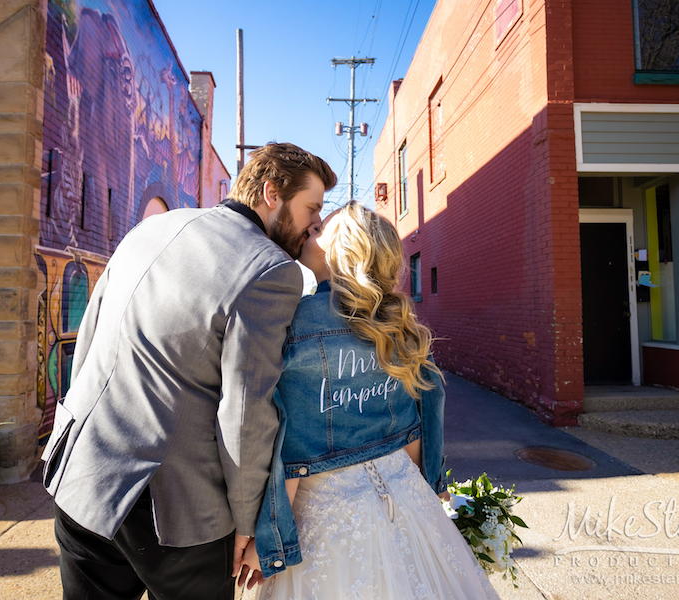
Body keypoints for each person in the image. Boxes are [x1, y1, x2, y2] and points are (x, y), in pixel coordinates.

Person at [41, 142, 337, 600]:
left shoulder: (151, 229)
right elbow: (245, 415)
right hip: (176, 514)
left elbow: (90, 337)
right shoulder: (270, 270)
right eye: (311, 210)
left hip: (84, 474)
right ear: (272, 192)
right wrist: (248, 522)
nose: (312, 226)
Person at [240, 202, 499, 599]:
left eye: (320, 229)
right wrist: (427, 486)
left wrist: (270, 543)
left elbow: (293, 447)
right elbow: (418, 424)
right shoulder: (399, 325)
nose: (310, 231)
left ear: (340, 250)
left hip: (325, 521)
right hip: (405, 498)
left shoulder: (296, 324)